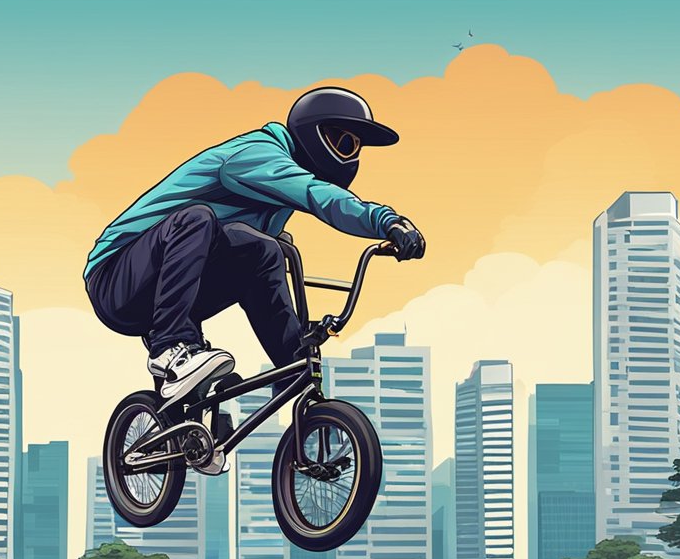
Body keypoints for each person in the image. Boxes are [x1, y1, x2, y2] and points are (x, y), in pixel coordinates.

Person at [84, 86, 426, 402]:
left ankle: (289, 377)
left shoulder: (273, 200)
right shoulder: (256, 155)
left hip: (169, 289)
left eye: (355, 147)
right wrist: (386, 222)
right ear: (314, 133)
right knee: (198, 219)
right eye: (344, 142)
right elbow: (316, 195)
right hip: (115, 278)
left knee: (266, 250)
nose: (350, 155)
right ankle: (170, 348)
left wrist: (297, 351)